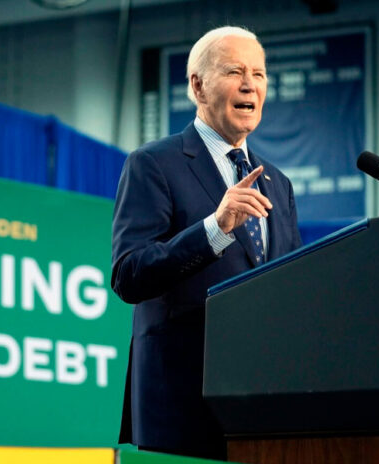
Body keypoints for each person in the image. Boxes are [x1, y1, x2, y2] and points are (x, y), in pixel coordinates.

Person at [111, 26, 302, 460]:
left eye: (259, 73)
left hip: (265, 404)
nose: (250, 84)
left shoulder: (278, 183)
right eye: (235, 71)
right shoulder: (153, 164)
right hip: (182, 403)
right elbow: (129, 274)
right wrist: (214, 228)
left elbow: (290, 286)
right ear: (198, 85)